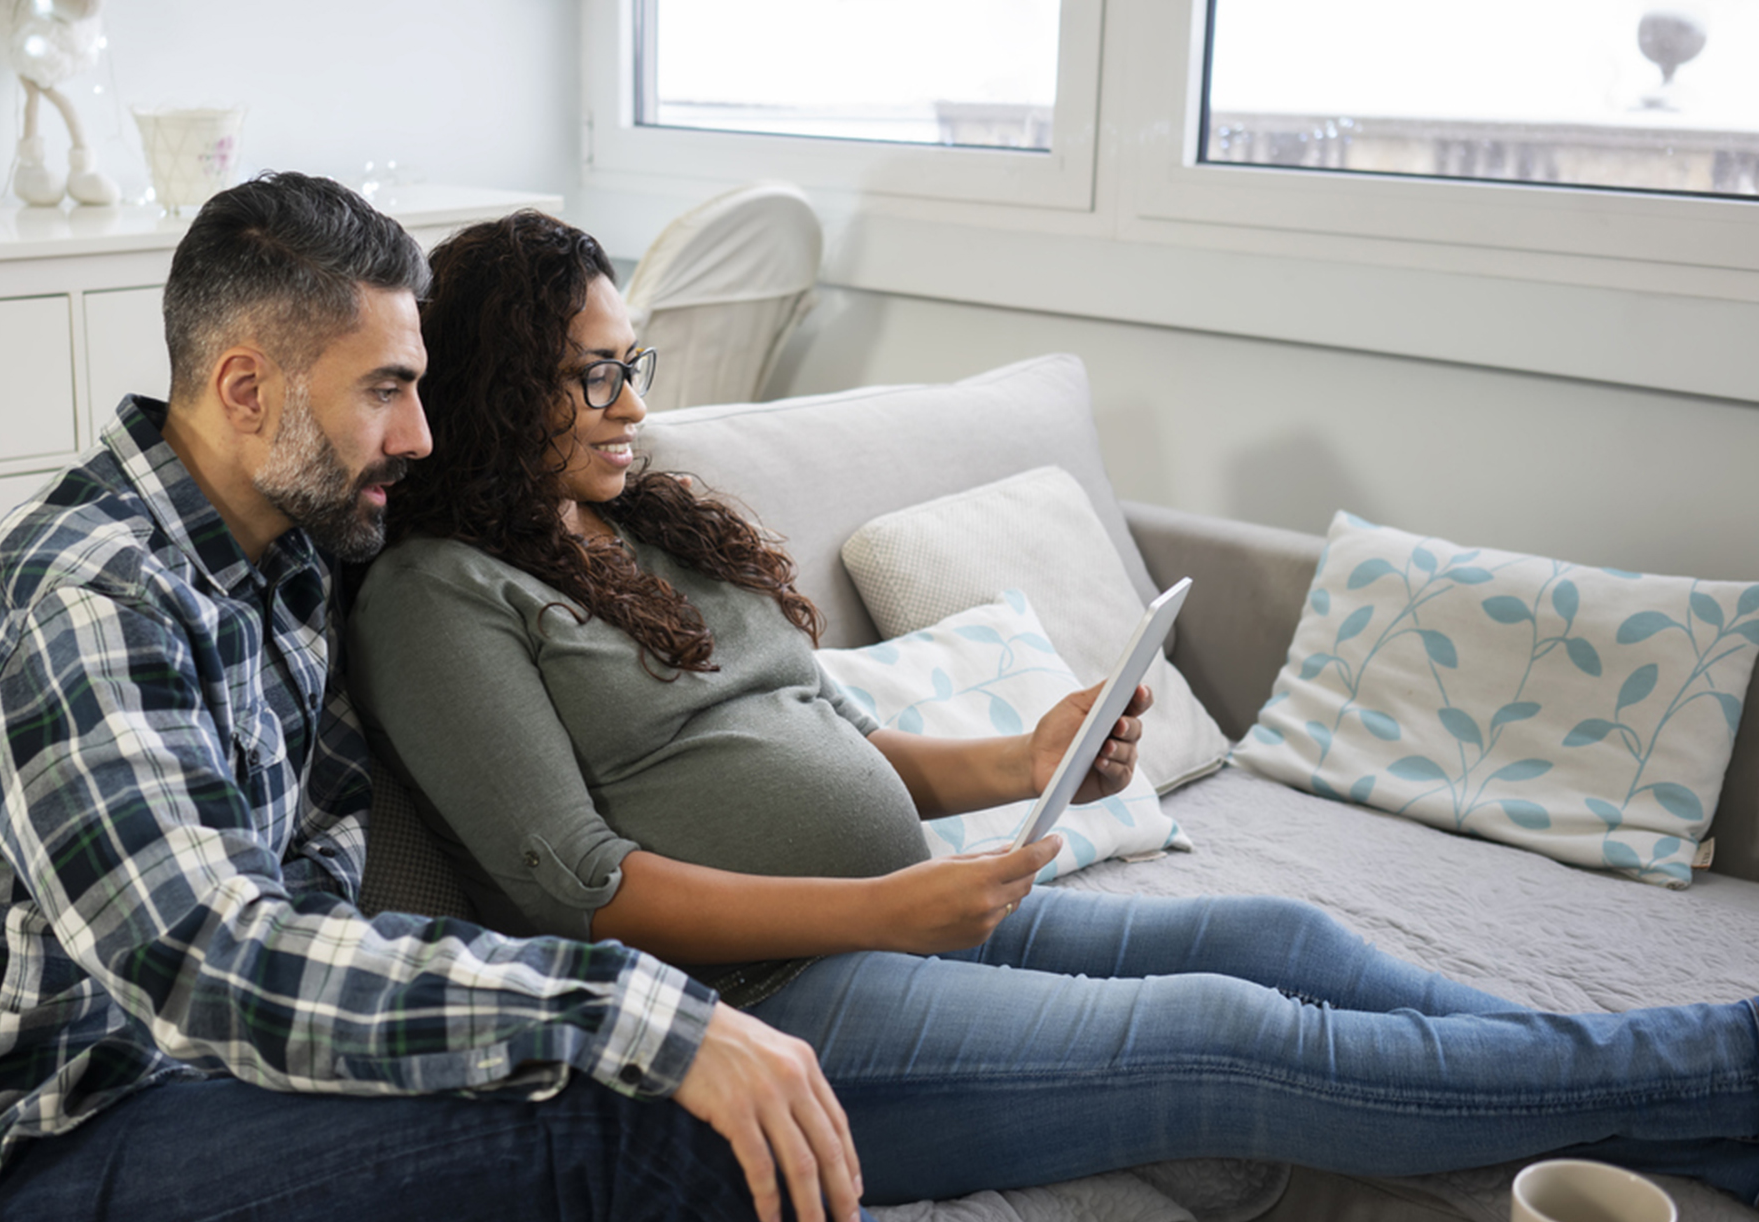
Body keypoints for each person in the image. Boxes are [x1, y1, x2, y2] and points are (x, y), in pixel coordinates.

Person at [349, 209, 1759, 1209]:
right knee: (1229, 1037)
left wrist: (1024, 763)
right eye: (589, 374)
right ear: (489, 385)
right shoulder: (440, 596)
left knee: (1273, 933)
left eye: (632, 365)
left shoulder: (645, 529)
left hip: (901, 922)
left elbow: (815, 744)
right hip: (757, 1019)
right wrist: (884, 911)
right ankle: (1715, 1062)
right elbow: (587, 896)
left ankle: (1706, 1119)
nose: (628, 405)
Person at [0, 173, 869, 1222]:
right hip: (27, 1149)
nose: (419, 435)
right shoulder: (81, 600)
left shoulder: (287, 564)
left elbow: (318, 889)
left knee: (625, 1101)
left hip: (219, 1094)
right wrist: (637, 1011)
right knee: (642, 1130)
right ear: (246, 392)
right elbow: (213, 960)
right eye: (383, 390)